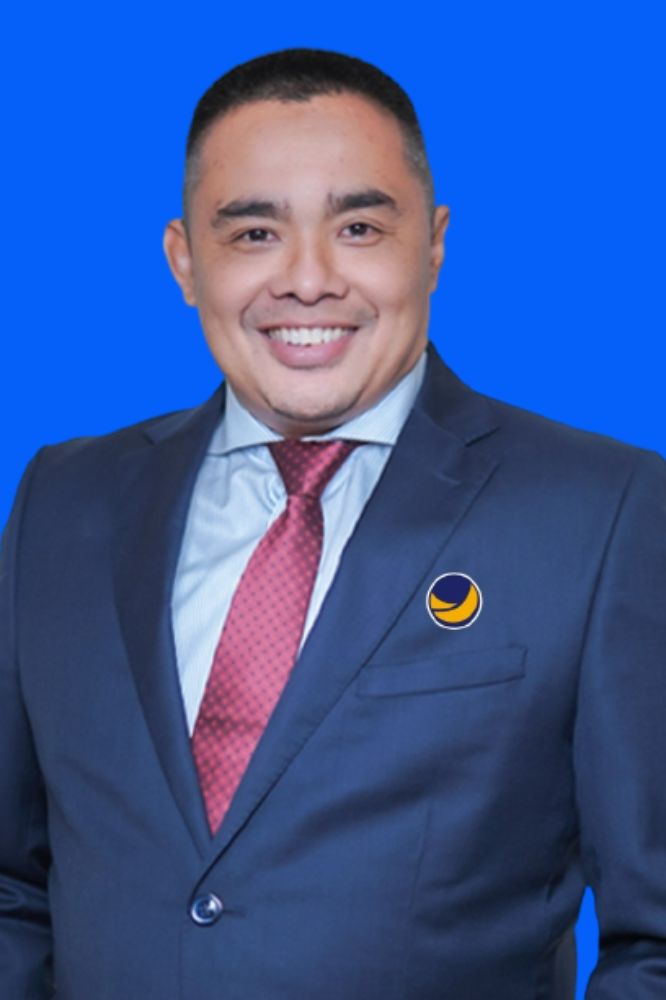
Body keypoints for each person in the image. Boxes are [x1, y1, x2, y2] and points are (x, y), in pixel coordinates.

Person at [0, 47, 664, 1000]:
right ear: (185, 261)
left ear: (432, 244)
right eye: (254, 233)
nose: (308, 280)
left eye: (358, 227)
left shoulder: (603, 512)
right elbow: (13, 887)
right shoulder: (61, 502)